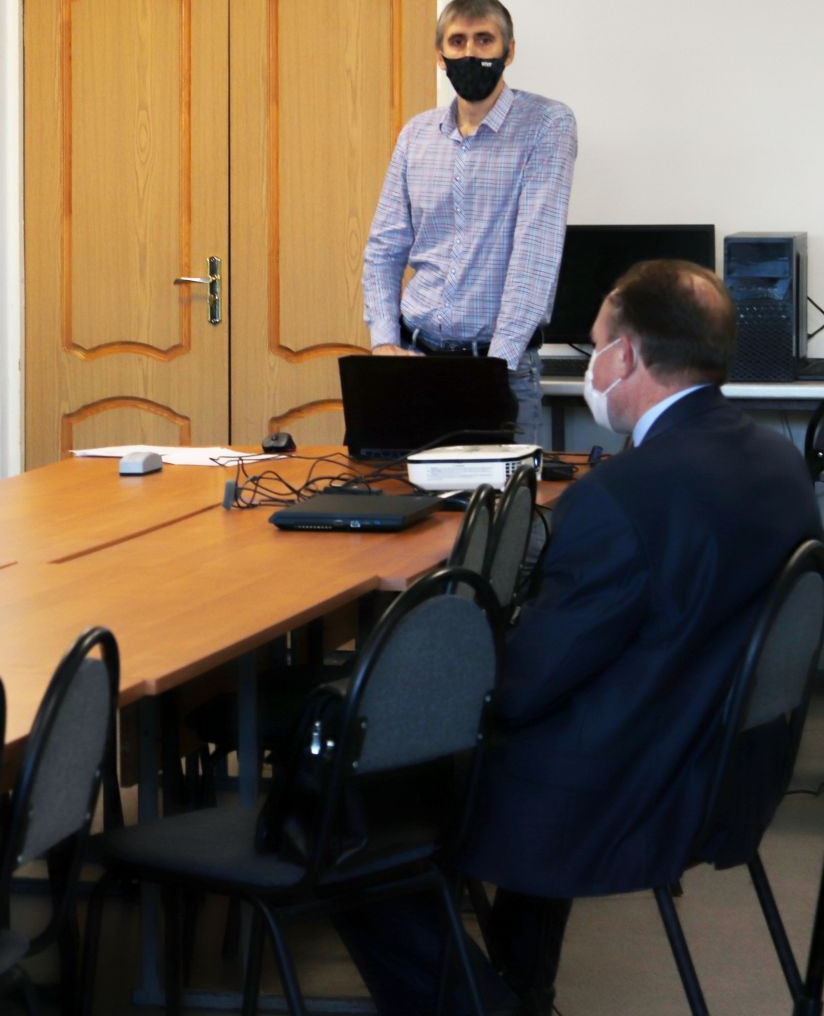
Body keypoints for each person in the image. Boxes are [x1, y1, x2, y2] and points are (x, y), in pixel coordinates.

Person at [336, 260, 822, 1015]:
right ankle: (522, 986)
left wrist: (429, 685)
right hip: (725, 772)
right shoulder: (777, 462)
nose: (592, 365)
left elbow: (522, 689)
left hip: (618, 791)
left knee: (352, 798)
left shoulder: (619, 497)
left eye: (596, 345)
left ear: (625, 355)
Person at [361, 0, 578, 445]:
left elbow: (535, 253)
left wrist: (495, 367)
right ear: (440, 56)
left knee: (500, 494)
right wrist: (384, 342)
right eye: (457, 41)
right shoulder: (416, 135)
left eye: (484, 40)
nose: (471, 52)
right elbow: (384, 248)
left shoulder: (547, 124)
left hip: (502, 369)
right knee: (400, 488)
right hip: (416, 362)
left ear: (508, 51)